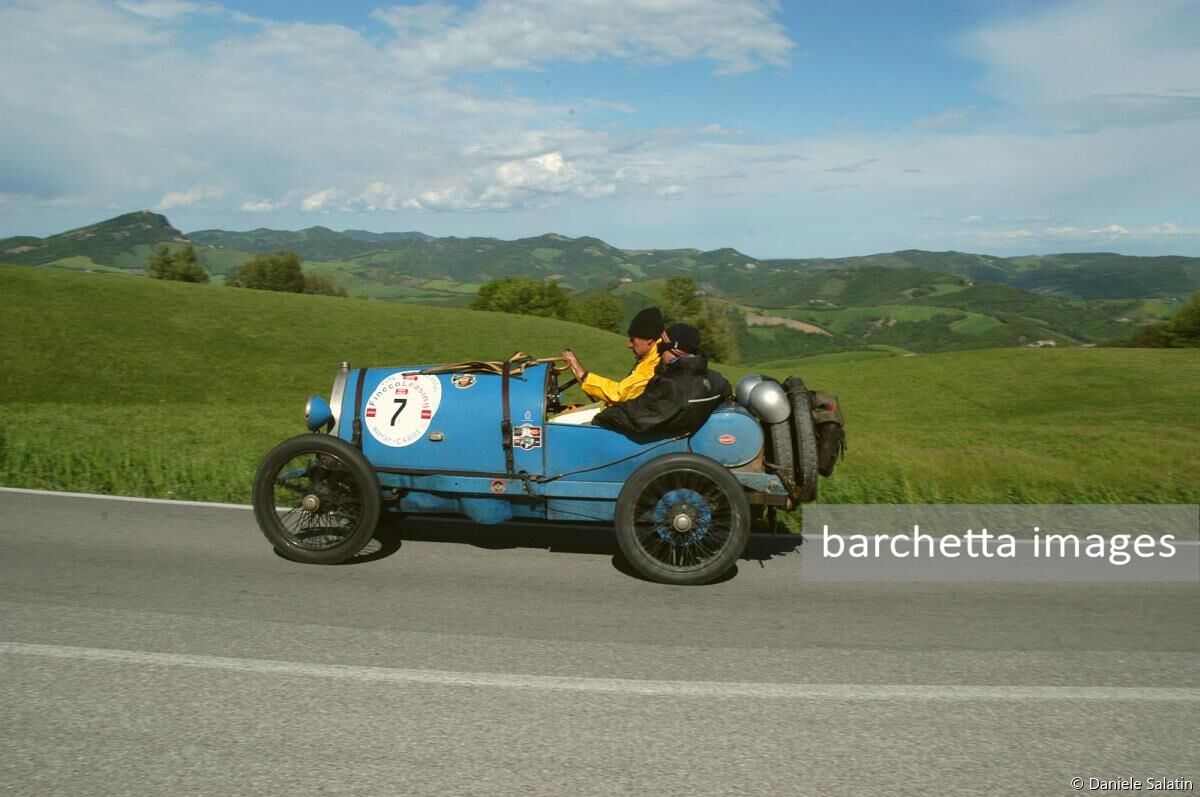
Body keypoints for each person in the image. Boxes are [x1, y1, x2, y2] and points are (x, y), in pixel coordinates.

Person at [592, 323, 731, 436]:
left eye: (662, 347)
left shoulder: (672, 386)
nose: (659, 352)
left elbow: (636, 416)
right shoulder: (717, 380)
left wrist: (602, 417)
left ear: (675, 350)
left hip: (655, 443)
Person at [561, 307, 664, 406]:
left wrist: (583, 375)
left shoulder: (655, 364)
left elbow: (619, 395)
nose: (629, 345)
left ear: (649, 340)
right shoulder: (652, 357)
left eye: (633, 339)